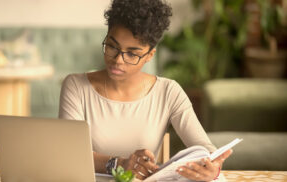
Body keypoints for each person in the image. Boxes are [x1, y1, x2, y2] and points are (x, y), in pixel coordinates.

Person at [59, 0, 232, 181]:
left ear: (150, 55)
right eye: (112, 46)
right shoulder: (76, 86)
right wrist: (119, 164)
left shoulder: (168, 91)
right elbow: (69, 153)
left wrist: (213, 167)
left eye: (132, 54)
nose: (118, 60)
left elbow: (205, 148)